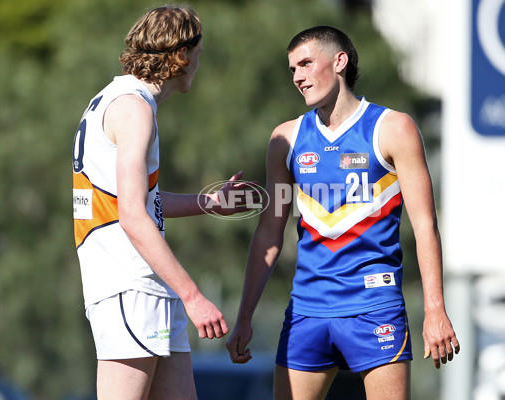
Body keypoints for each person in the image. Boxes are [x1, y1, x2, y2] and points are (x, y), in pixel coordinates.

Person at [226, 26, 460, 399]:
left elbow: (425, 225)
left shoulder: (393, 128)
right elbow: (269, 234)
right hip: (307, 310)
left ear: (339, 61)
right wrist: (243, 318)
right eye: (292, 70)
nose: (298, 77)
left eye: (305, 64)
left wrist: (435, 310)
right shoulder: (284, 139)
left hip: (375, 308)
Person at [72, 5, 258, 399]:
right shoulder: (133, 108)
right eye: (199, 55)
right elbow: (132, 218)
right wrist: (194, 296)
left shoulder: (120, 99)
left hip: (149, 286)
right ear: (182, 55)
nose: (198, 65)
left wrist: (207, 203)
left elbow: (138, 201)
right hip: (129, 284)